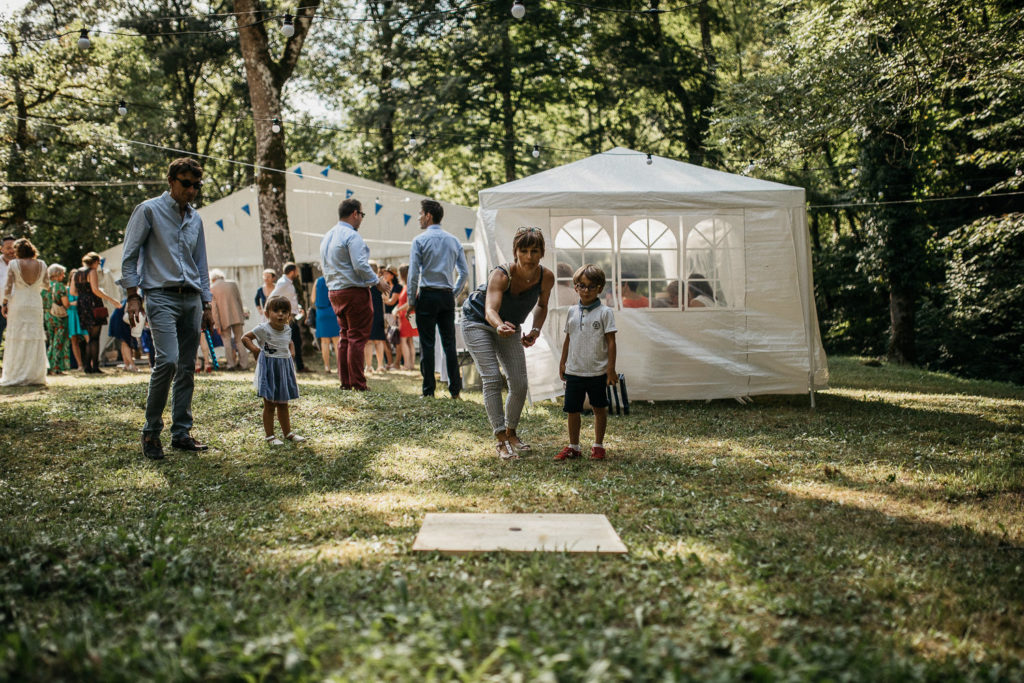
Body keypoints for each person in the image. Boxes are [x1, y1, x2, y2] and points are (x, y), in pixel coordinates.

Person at [121, 156, 215, 460]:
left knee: (188, 366)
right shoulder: (148, 210)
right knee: (169, 361)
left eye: (197, 185)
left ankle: (181, 433)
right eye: (186, 184)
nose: (192, 190)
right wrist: (132, 294)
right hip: (160, 295)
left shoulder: (196, 218)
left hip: (192, 299)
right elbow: (129, 254)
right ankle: (151, 431)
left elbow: (200, 263)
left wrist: (207, 302)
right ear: (171, 181)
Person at [462, 226, 553, 460]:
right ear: (516, 252)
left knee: (520, 382)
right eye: (524, 251)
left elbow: (542, 306)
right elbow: (490, 309)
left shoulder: (546, 277)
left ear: (542, 252)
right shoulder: (502, 274)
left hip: (510, 326)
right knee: (492, 377)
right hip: (478, 321)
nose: (530, 257)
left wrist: (535, 330)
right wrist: (499, 325)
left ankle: (512, 432)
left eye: (535, 251)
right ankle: (501, 439)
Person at [320, 198, 390, 391]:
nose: (361, 219)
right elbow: (360, 265)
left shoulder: (327, 236)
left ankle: (346, 382)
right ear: (354, 213)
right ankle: (358, 383)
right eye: (362, 214)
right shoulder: (352, 236)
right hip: (353, 292)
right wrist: (377, 282)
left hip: (334, 291)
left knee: (344, 337)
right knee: (357, 338)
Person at [407, 199, 469, 398]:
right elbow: (464, 272)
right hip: (446, 296)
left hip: (427, 294)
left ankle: (428, 391)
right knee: (449, 343)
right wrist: (454, 292)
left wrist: (410, 300)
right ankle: (455, 390)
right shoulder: (454, 241)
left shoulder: (419, 241)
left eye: (420, 213)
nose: (418, 218)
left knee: (427, 343)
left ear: (428, 215)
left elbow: (414, 274)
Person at [556, 264, 618, 461]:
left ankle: (598, 446)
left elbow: (611, 342)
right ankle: (574, 446)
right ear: (575, 287)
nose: (586, 290)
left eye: (591, 286)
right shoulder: (572, 311)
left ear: (600, 288)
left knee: (599, 408)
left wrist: (610, 369)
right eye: (581, 286)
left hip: (597, 372)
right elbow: (568, 338)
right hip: (574, 371)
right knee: (572, 410)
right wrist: (562, 362)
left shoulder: (605, 312)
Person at [242, 295, 304, 445]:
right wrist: (255, 350)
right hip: (269, 367)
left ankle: (287, 432)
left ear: (289, 314)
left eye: (284, 311)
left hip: (284, 368)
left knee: (283, 402)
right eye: (276, 310)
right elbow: (245, 338)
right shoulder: (263, 328)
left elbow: (289, 341)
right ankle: (270, 436)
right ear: (267, 313)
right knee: (270, 403)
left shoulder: (287, 329)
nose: (280, 314)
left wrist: (292, 349)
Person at [0, 237, 48, 386]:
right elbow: (46, 285)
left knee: (17, 336)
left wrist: (4, 303)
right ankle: (35, 375)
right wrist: (35, 286)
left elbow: (8, 287)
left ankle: (16, 373)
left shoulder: (14, 264)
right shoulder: (42, 264)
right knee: (34, 336)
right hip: (34, 302)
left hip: (18, 302)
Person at [70, 252, 120, 374]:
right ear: (94, 262)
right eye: (98, 262)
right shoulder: (92, 272)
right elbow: (95, 290)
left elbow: (72, 292)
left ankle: (87, 366)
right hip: (93, 304)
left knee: (89, 337)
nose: (99, 265)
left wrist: (83, 296)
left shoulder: (77, 272)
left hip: (82, 305)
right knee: (94, 338)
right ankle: (95, 366)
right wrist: (112, 300)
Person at [269, 263, 310, 373]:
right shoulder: (283, 283)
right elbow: (272, 297)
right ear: (292, 271)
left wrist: (298, 308)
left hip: (292, 316)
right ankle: (296, 366)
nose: (297, 273)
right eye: (296, 271)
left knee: (296, 341)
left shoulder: (288, 283)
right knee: (292, 341)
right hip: (288, 318)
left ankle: (298, 366)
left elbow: (290, 299)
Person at [210, 269, 249, 371]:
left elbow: (214, 310)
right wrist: (241, 315)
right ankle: (244, 364)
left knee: (226, 341)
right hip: (237, 316)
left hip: (223, 320)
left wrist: (217, 325)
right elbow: (239, 300)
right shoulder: (232, 284)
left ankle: (230, 365)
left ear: (213, 279)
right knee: (240, 340)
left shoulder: (212, 288)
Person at [42, 263, 71, 375]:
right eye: (63, 274)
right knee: (59, 341)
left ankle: (48, 367)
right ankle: (56, 367)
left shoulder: (44, 286)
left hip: (48, 315)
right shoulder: (59, 286)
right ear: (57, 274)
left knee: (52, 341)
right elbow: (66, 304)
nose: (64, 276)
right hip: (59, 316)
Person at [365, 261, 393, 372]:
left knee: (368, 342)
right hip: (378, 314)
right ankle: (380, 365)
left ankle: (368, 366)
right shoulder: (381, 282)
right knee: (379, 341)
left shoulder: (364, 282)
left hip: (367, 314)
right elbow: (386, 299)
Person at [311, 273, 339, 373]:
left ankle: (327, 366)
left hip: (321, 313)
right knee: (336, 341)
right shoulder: (334, 279)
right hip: (333, 311)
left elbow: (313, 299)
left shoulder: (317, 281)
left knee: (324, 342)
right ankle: (340, 367)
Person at [393, 264, 417, 371]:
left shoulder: (409, 287)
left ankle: (407, 365)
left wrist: (397, 310)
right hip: (410, 316)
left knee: (403, 341)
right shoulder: (409, 286)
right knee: (410, 341)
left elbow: (408, 303)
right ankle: (411, 364)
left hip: (407, 316)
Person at [0, 235, 15, 357]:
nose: (12, 250)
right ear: (1, 249)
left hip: (17, 306)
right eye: (8, 248)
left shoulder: (21, 264)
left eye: (14, 247)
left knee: (17, 339)